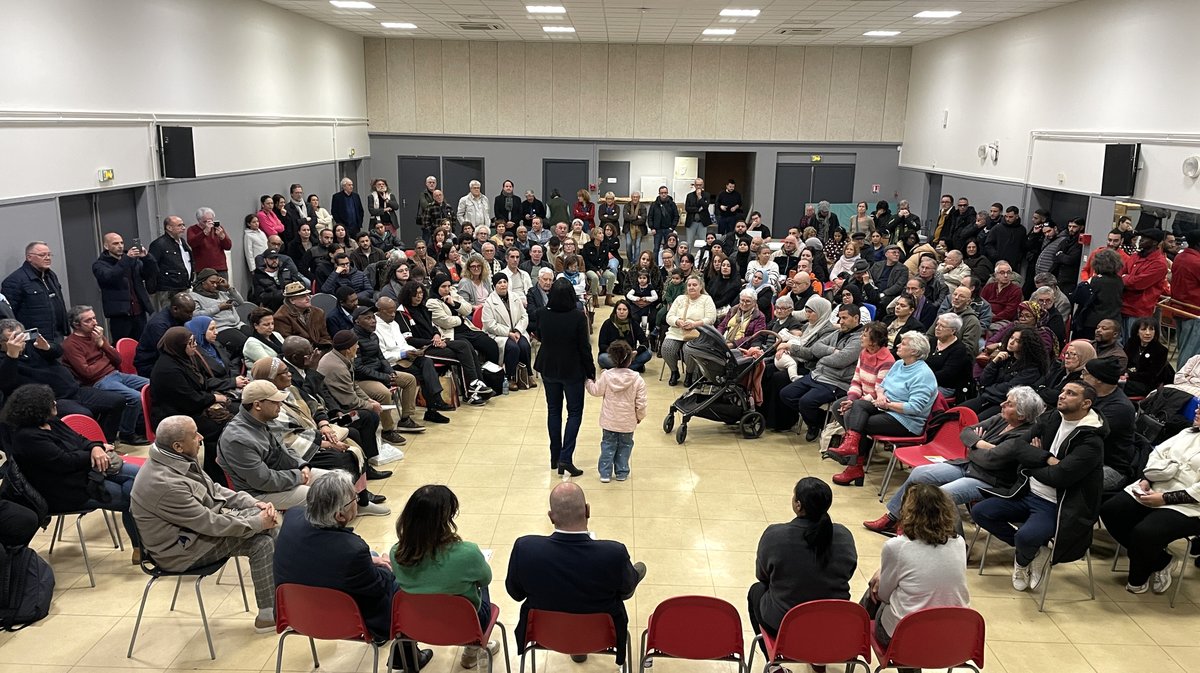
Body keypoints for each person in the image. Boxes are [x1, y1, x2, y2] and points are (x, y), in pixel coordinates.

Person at [130, 415, 278, 632]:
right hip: (181, 553)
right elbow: (210, 524)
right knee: (262, 542)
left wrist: (255, 504)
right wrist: (257, 522)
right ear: (178, 446)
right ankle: (270, 615)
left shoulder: (176, 459)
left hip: (193, 534)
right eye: (195, 435)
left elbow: (215, 490)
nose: (201, 438)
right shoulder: (166, 483)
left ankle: (283, 596)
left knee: (265, 522)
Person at [971, 381, 1106, 593]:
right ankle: (1034, 552)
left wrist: (1033, 464)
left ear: (1085, 403)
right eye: (1062, 391)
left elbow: (1060, 477)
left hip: (1056, 504)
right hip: (1025, 491)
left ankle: (1023, 560)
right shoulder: (1051, 418)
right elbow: (1018, 447)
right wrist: (1046, 458)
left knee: (1025, 536)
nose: (1061, 395)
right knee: (980, 511)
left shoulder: (1091, 440)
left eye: (1070, 393)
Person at [863, 386, 1044, 536]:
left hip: (988, 480)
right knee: (920, 474)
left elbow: (992, 461)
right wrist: (980, 444)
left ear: (1021, 415)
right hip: (968, 466)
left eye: (1009, 404)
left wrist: (974, 447)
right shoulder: (1001, 419)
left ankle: (956, 542)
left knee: (944, 494)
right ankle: (893, 518)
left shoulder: (1024, 435)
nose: (1002, 405)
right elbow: (966, 432)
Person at [506, 482, 646, 664]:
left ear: (551, 517)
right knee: (628, 579)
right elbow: (626, 592)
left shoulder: (525, 548)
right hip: (601, 635)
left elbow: (515, 594)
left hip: (546, 633)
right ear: (587, 511)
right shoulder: (613, 553)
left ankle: (576, 647)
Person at [1, 383, 141, 556]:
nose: (55, 403)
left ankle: (142, 547)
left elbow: (80, 439)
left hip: (87, 473)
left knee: (138, 480)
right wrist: (94, 453)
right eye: (49, 401)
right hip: (66, 490)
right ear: (36, 408)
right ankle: (141, 548)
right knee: (133, 497)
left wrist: (95, 448)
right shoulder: (27, 438)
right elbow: (65, 461)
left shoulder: (51, 421)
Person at [273, 470, 396, 644]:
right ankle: (406, 658)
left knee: (371, 556)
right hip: (343, 621)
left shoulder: (292, 517)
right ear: (339, 515)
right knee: (398, 583)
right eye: (355, 498)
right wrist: (388, 567)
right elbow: (380, 585)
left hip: (296, 614)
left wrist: (369, 562)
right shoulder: (353, 550)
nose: (357, 502)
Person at [390, 484, 497, 671]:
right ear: (445, 520)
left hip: (416, 624)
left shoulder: (397, 553)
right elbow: (485, 579)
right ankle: (473, 649)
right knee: (481, 581)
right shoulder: (467, 553)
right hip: (465, 624)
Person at [1100, 408, 1200, 594]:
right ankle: (1161, 561)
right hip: (1156, 486)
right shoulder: (1187, 432)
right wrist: (1147, 479)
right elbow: (1157, 454)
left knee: (1145, 532)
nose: (1196, 410)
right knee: (1111, 510)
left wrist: (1164, 499)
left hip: (1189, 504)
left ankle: (1138, 578)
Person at [748, 477, 857, 648]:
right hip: (833, 623)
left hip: (786, 625)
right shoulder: (844, 535)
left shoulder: (775, 535)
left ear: (798, 505)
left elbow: (762, 576)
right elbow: (848, 573)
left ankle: (775, 663)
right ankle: (818, 658)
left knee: (756, 590)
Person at [862, 484, 970, 649]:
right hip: (952, 639)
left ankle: (845, 642)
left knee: (873, 591)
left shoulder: (896, 547)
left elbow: (883, 595)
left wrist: (880, 574)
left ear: (907, 513)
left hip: (907, 638)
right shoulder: (960, 543)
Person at [280, 336, 391, 480]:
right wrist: (313, 369)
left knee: (367, 416)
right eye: (309, 353)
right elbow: (309, 398)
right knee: (360, 423)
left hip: (333, 415)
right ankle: (363, 469)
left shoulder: (305, 365)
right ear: (295, 357)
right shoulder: (288, 375)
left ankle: (367, 463)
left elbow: (324, 392)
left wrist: (335, 410)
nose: (314, 355)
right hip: (318, 421)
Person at [0, 318, 127, 441]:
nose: (19, 341)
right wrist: (12, 356)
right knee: (84, 415)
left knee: (117, 401)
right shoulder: (5, 360)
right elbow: (6, 384)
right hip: (52, 400)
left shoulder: (32, 344)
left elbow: (59, 351)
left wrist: (48, 348)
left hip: (75, 390)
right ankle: (89, 448)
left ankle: (105, 442)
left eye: (20, 336)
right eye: (12, 339)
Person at [217, 380, 328, 509]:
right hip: (258, 494)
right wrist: (298, 477)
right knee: (322, 495)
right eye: (275, 402)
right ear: (257, 405)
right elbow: (262, 480)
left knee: (334, 480)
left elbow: (286, 449)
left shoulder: (266, 419)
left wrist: (302, 465)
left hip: (282, 476)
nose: (280, 405)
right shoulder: (237, 439)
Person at [148, 326, 235, 483]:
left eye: (194, 341)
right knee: (220, 427)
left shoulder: (184, 359)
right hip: (174, 416)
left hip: (190, 407)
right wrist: (214, 399)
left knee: (235, 408)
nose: (195, 345)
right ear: (179, 345)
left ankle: (226, 469)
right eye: (190, 343)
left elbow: (201, 385)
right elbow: (191, 400)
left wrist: (220, 394)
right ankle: (216, 476)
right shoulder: (168, 369)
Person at [60, 305, 149, 445]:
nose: (95, 323)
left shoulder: (96, 336)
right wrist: (105, 359)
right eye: (88, 320)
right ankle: (127, 433)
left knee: (150, 385)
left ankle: (144, 426)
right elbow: (87, 373)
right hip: (99, 381)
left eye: (94, 318)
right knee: (135, 397)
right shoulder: (70, 345)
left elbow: (118, 359)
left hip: (115, 374)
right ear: (76, 325)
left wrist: (102, 343)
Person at [534, 279, 595, 477]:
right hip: (572, 369)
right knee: (574, 413)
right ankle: (565, 458)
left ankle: (555, 457)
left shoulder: (542, 313)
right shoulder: (578, 317)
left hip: (549, 367)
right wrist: (591, 371)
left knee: (553, 412)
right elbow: (584, 347)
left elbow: (539, 334)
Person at [397, 281, 490, 406]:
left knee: (464, 345)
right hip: (420, 349)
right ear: (408, 295)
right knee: (460, 356)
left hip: (435, 342)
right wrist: (433, 341)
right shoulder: (402, 313)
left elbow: (433, 327)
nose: (419, 296)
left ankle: (476, 383)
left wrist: (436, 335)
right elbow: (409, 340)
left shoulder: (423, 308)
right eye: (415, 294)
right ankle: (470, 394)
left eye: (420, 293)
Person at [782, 304, 864, 442]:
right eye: (839, 318)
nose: (841, 322)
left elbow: (842, 360)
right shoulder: (837, 333)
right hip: (817, 375)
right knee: (787, 394)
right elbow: (816, 347)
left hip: (836, 382)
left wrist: (822, 359)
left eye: (844, 318)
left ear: (856, 318)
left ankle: (814, 425)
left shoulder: (859, 339)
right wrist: (832, 351)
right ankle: (821, 422)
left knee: (806, 402)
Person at [318, 330, 409, 448]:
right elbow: (349, 401)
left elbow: (354, 385)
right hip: (337, 415)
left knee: (369, 412)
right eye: (356, 344)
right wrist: (371, 406)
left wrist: (369, 400)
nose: (358, 346)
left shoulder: (341, 357)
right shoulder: (337, 367)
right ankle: (369, 455)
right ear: (349, 349)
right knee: (368, 416)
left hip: (342, 404)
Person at [348, 306, 425, 438]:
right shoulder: (353, 339)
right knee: (384, 394)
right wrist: (383, 377)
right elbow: (358, 368)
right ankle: (388, 430)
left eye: (373, 317)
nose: (373, 321)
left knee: (409, 379)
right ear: (357, 321)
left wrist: (390, 371)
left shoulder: (373, 336)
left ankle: (405, 419)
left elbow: (381, 358)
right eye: (367, 318)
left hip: (379, 373)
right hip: (361, 379)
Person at [372, 297, 453, 421]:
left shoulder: (393, 323)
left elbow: (402, 343)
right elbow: (383, 356)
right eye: (390, 312)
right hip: (392, 363)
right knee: (424, 374)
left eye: (394, 311)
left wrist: (414, 351)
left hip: (406, 357)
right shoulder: (375, 327)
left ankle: (434, 404)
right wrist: (403, 355)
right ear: (380, 310)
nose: (393, 315)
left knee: (426, 361)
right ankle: (433, 406)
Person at [584, 340, 647, 483]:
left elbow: (596, 391)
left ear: (611, 359)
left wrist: (588, 382)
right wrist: (639, 416)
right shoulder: (637, 379)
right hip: (628, 422)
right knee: (625, 446)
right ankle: (622, 472)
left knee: (607, 445)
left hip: (609, 421)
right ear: (630, 359)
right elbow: (641, 402)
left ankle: (605, 474)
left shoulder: (606, 376)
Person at [966, 327, 1050, 419]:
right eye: (1011, 338)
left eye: (1018, 341)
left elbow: (1009, 389)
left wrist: (988, 388)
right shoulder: (1005, 357)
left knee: (974, 421)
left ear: (1026, 345)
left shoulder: (1032, 368)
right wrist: (994, 362)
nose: (1012, 342)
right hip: (986, 397)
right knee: (956, 412)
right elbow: (984, 380)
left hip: (1005, 404)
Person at [1081, 357, 1138, 492]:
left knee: (1064, 479)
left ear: (1098, 379)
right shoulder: (1091, 395)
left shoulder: (1119, 408)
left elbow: (1084, 434)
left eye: (1085, 373)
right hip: (1089, 459)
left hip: (1112, 467)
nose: (1081, 376)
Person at [93, 232, 157, 341]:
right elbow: (111, 277)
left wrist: (146, 258)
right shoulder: (100, 265)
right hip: (120, 315)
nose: (120, 246)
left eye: (121, 243)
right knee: (122, 345)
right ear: (106, 246)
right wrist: (127, 259)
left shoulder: (133, 261)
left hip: (138, 311)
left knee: (143, 344)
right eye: (115, 243)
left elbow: (150, 274)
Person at [2, 241, 67, 341]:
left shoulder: (51, 276)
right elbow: (10, 317)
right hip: (34, 339)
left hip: (57, 336)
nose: (48, 258)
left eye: (49, 254)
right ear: (29, 257)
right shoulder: (15, 281)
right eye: (42, 255)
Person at [661, 276, 718, 387]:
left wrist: (694, 324)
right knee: (666, 348)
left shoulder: (706, 299)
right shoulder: (680, 298)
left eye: (694, 285)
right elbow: (669, 317)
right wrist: (678, 322)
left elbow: (711, 319)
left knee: (688, 350)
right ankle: (674, 372)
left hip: (697, 333)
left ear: (701, 286)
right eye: (689, 285)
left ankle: (689, 374)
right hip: (677, 331)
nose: (691, 287)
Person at [481, 273, 532, 389]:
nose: (503, 285)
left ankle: (526, 375)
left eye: (505, 282)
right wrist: (508, 333)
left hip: (517, 332)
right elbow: (489, 325)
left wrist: (518, 331)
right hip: (499, 335)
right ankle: (510, 377)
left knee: (524, 345)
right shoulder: (489, 302)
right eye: (499, 283)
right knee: (513, 348)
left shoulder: (515, 297)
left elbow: (524, 316)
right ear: (494, 286)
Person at [1121, 228, 1169, 338]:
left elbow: (1138, 284)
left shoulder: (1160, 263)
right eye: (1140, 237)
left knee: (1132, 343)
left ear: (1155, 243)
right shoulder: (1135, 256)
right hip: (1122, 305)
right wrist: (1127, 278)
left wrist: (1126, 278)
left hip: (1139, 310)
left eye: (1145, 238)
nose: (1141, 240)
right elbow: (1120, 273)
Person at [189, 268, 249, 356]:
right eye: (212, 282)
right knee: (246, 344)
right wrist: (218, 308)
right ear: (203, 282)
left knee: (257, 338)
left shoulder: (221, 293)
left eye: (217, 283)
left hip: (237, 324)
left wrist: (228, 287)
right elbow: (195, 315)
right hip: (221, 328)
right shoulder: (195, 297)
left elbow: (240, 302)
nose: (215, 285)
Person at [147, 216, 194, 308]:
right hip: (168, 288)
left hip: (184, 285)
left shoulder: (182, 242)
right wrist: (151, 288)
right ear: (169, 228)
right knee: (170, 314)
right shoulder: (159, 244)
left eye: (183, 225)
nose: (183, 228)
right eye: (179, 225)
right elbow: (151, 267)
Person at [274, 281, 333, 351]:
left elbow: (325, 336)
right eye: (302, 296)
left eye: (308, 295)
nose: (308, 298)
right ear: (292, 301)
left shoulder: (318, 312)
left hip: (322, 350)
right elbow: (289, 345)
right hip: (301, 354)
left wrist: (324, 348)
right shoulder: (281, 317)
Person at [1124, 317, 1171, 397]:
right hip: (1128, 378)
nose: (1148, 333)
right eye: (1143, 329)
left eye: (1151, 329)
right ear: (1137, 332)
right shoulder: (1131, 343)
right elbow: (1124, 362)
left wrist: (1128, 375)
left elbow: (1151, 376)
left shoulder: (1161, 350)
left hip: (1147, 385)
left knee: (1117, 384)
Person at [186, 207, 232, 279]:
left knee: (223, 289)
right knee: (204, 289)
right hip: (203, 269)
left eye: (211, 220)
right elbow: (192, 243)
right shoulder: (192, 229)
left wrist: (222, 237)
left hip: (220, 268)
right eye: (205, 221)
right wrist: (204, 232)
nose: (209, 223)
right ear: (199, 220)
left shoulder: (218, 228)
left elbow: (228, 246)